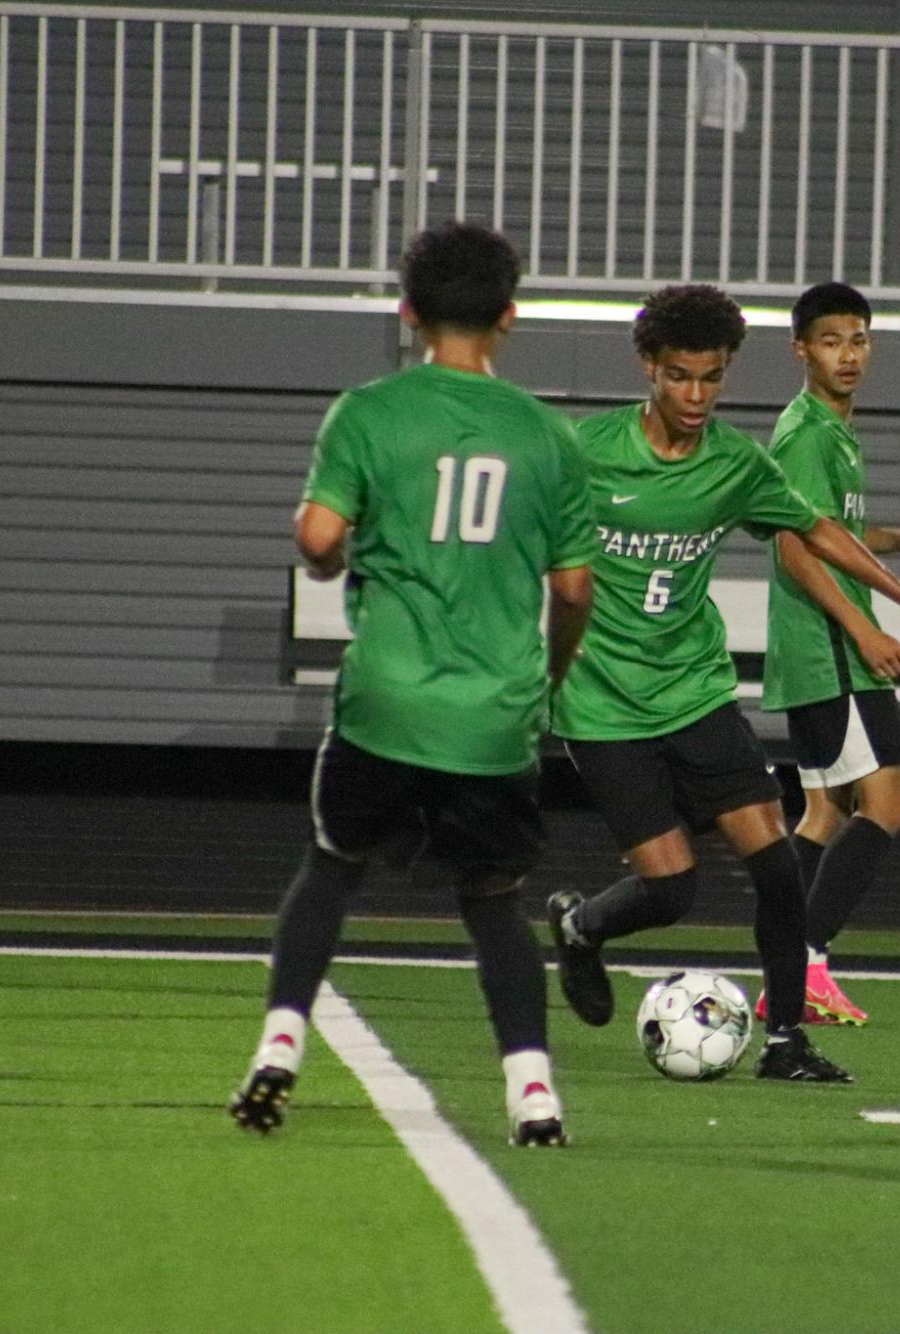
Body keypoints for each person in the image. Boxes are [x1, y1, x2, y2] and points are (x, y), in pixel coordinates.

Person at [545, 283, 900, 1084]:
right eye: (679, 377)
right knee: (670, 889)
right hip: (601, 705)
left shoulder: (736, 462)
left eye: (711, 378)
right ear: (648, 367)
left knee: (775, 863)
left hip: (695, 692)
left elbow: (818, 532)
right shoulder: (584, 451)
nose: (696, 396)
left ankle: (785, 1043)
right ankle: (581, 928)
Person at [228, 221, 594, 1148]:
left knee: (332, 867)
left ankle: (278, 1047)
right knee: (492, 898)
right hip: (493, 715)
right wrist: (544, 679)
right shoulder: (547, 437)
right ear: (509, 317)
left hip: (384, 702)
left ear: (408, 312)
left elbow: (317, 539)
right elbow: (575, 588)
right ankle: (533, 1094)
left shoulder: (368, 412)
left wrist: (343, 557)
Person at [754, 282, 900, 1027]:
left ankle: (786, 966)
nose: (848, 354)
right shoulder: (805, 431)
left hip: (820, 650)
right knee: (887, 806)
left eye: (859, 339)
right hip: (830, 646)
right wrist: (866, 629)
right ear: (800, 349)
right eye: (831, 340)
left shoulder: (832, 429)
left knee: (823, 813)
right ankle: (806, 959)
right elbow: (793, 544)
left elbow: (829, 529)